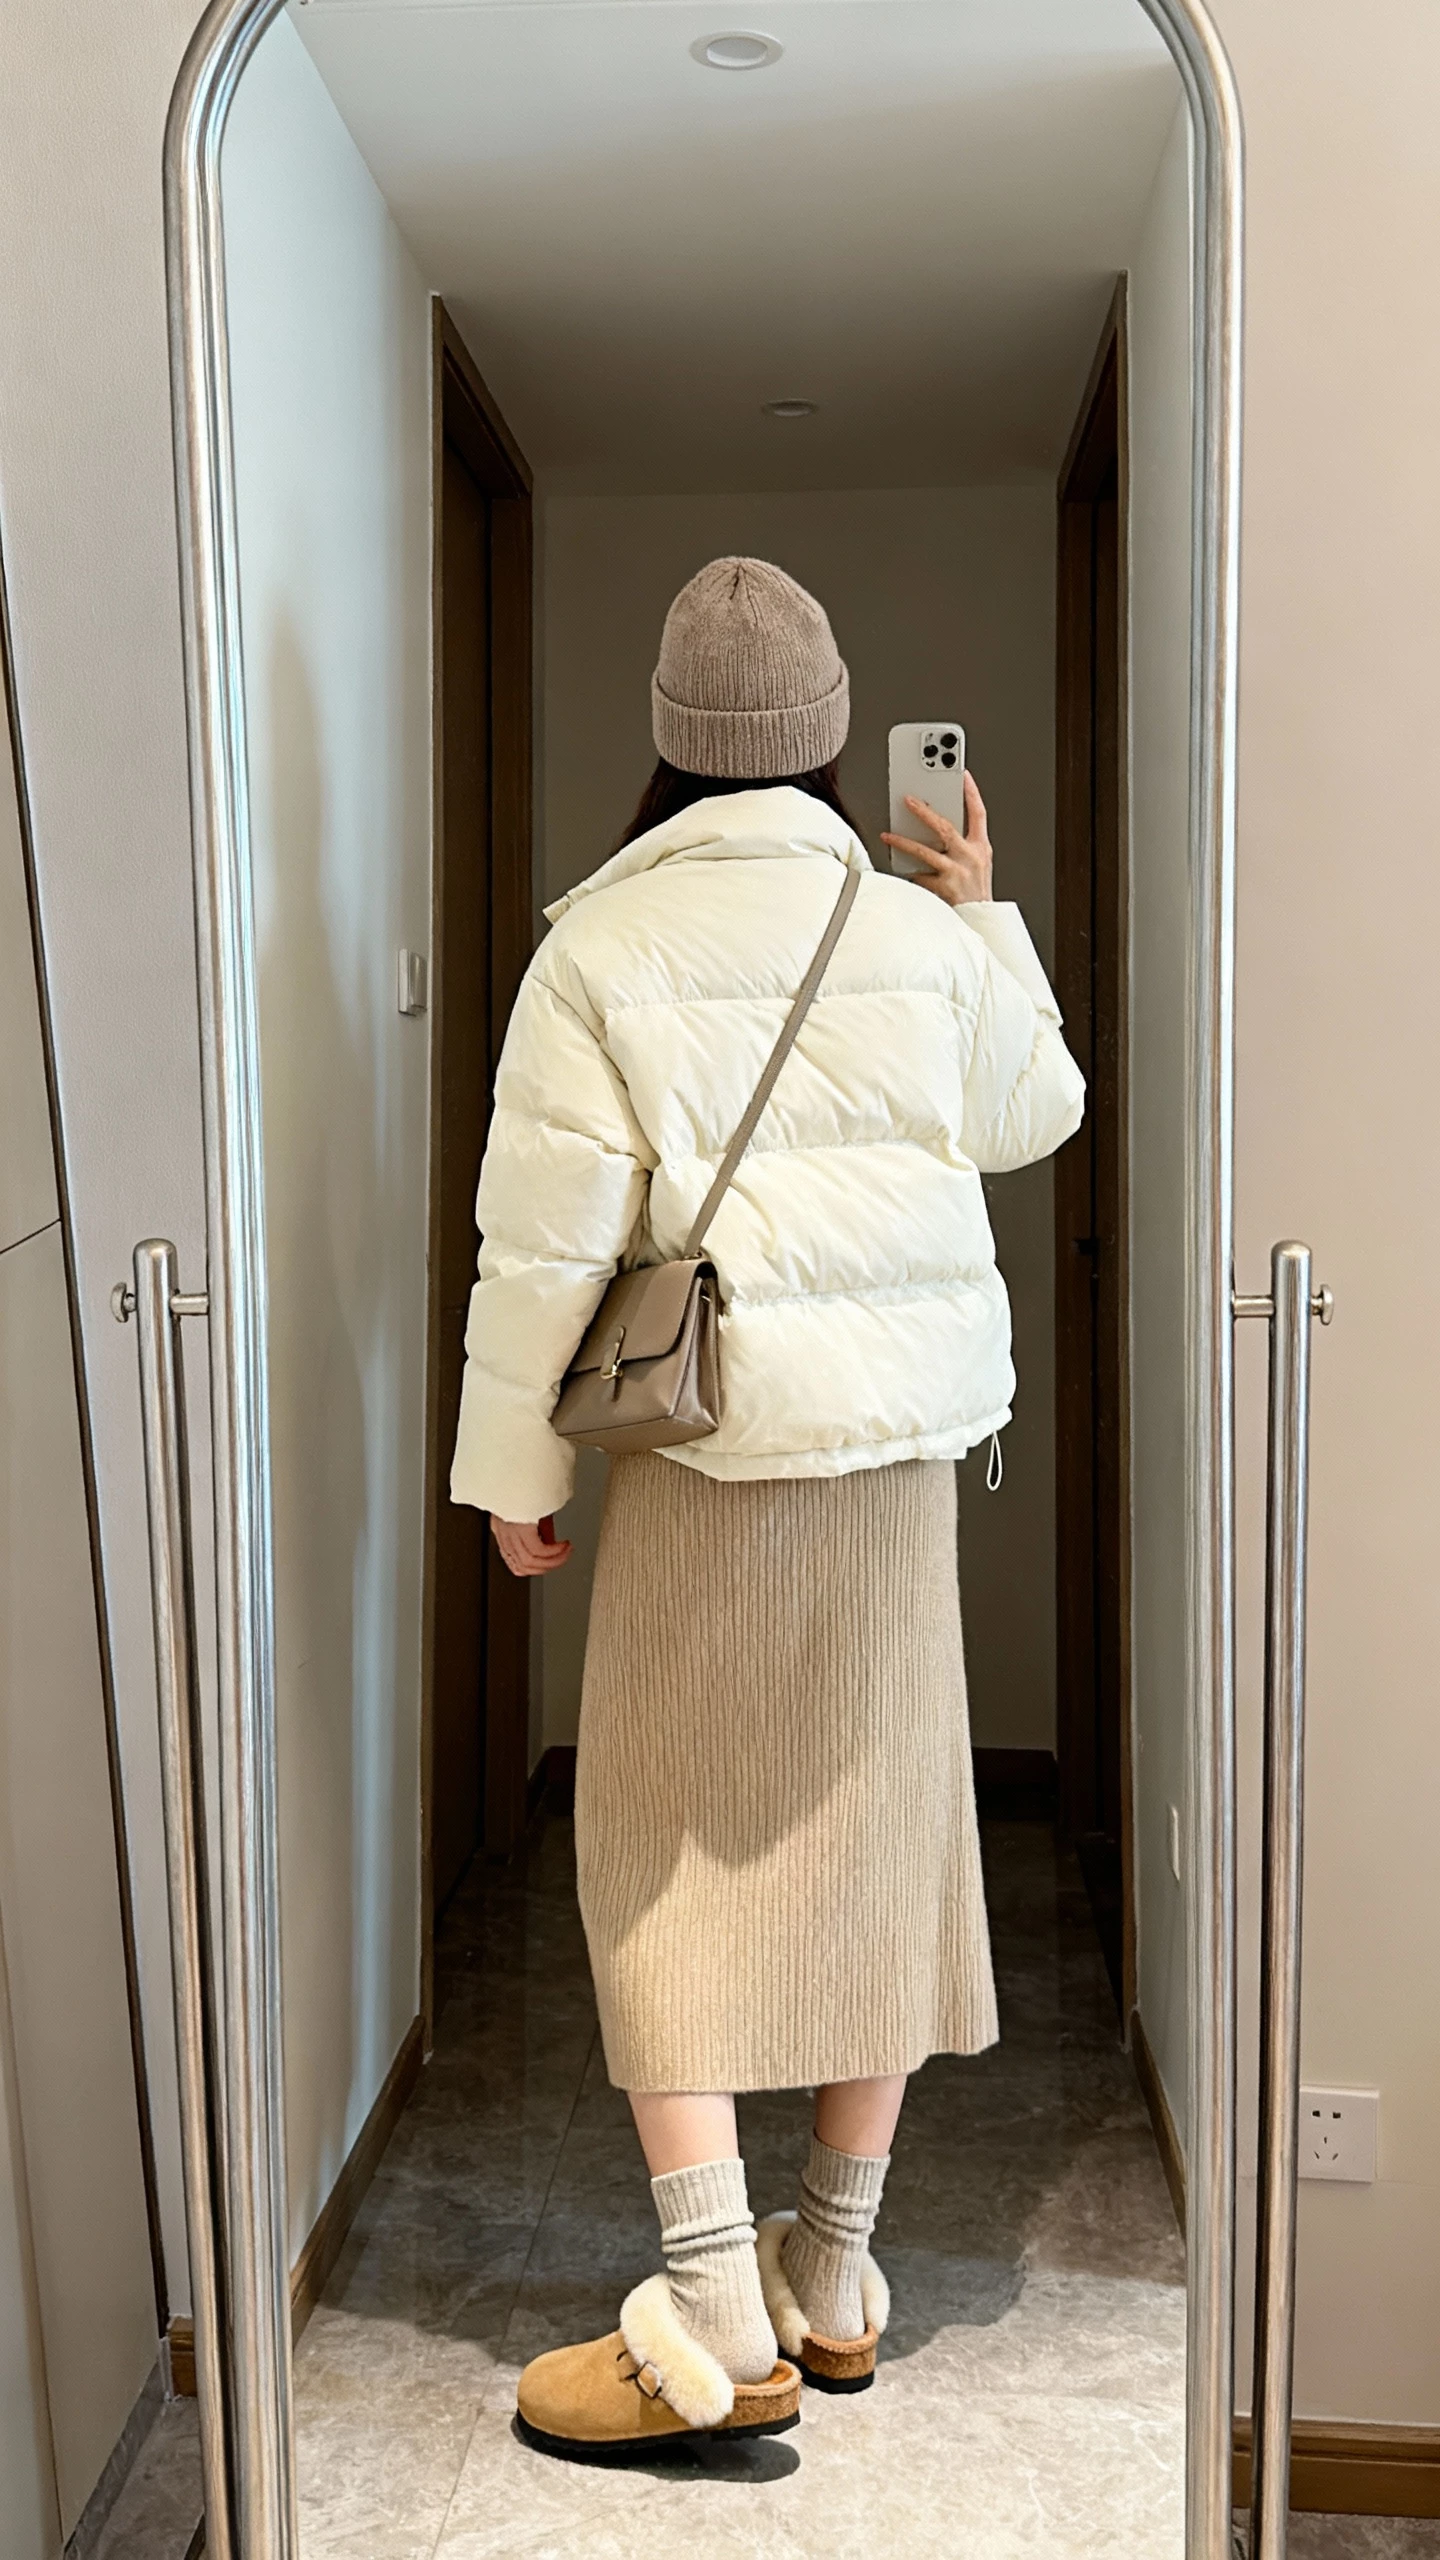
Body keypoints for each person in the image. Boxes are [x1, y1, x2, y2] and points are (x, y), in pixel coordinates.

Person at [451, 556, 1085, 2460]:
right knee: (883, 1825)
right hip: (895, 1469)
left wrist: (514, 1475)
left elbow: (538, 1243)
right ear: (826, 739)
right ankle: (836, 2271)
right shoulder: (909, 932)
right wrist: (986, 920)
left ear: (668, 737)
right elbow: (1035, 1111)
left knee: (660, 1842)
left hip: (706, 1458)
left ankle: (712, 2297)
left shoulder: (595, 945)